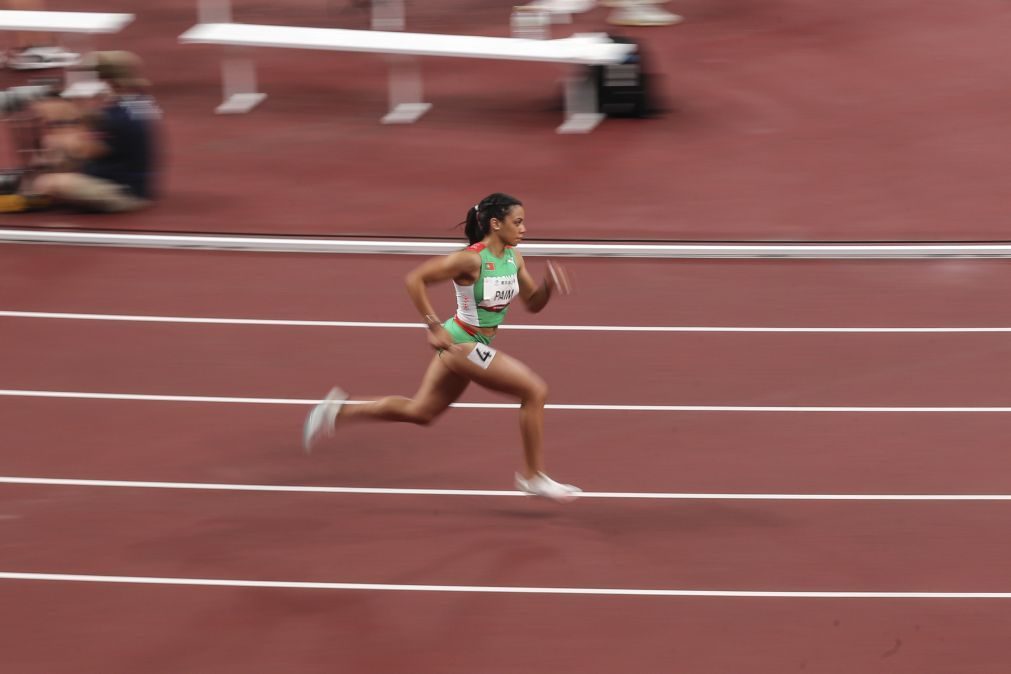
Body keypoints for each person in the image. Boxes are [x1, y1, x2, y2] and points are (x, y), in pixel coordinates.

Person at [303, 192, 582, 503]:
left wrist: (547, 287)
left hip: (472, 343)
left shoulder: (514, 259)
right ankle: (532, 477)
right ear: (495, 224)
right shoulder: (470, 259)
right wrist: (433, 325)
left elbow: (532, 304)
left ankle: (338, 409)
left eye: (523, 223)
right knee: (534, 391)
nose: (524, 229)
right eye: (517, 222)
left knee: (421, 412)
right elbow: (415, 279)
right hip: (460, 343)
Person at [24, 51, 161, 212]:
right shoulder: (139, 101)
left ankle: (31, 202)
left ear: (107, 80)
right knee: (58, 153)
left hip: (123, 193)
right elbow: (105, 123)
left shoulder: (117, 117)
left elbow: (84, 151)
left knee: (47, 182)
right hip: (136, 181)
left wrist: (59, 124)